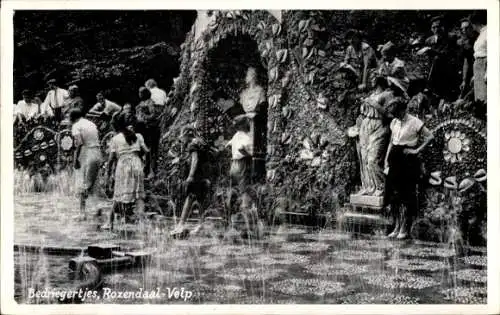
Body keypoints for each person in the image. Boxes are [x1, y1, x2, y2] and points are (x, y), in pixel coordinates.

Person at [383, 98, 434, 239]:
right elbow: (391, 143)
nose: (396, 116)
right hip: (394, 158)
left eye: (397, 113)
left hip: (407, 160)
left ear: (403, 110)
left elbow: (430, 136)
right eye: (394, 114)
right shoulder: (394, 122)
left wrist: (416, 150)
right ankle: (396, 226)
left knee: (404, 195)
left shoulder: (414, 121)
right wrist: (386, 161)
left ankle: (404, 228)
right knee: (393, 196)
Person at [355, 76, 399, 197]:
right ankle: (368, 186)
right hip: (366, 126)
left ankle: (381, 186)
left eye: (374, 77)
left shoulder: (388, 94)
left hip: (380, 126)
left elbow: (391, 115)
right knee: (363, 159)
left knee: (373, 159)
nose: (371, 79)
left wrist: (374, 105)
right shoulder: (370, 95)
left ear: (379, 80)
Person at [104, 112, 149, 230]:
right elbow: (147, 151)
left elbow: (111, 159)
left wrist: (108, 174)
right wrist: (146, 165)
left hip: (123, 165)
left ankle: (109, 221)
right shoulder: (138, 136)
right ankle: (142, 223)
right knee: (139, 195)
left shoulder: (115, 138)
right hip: (137, 164)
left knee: (118, 194)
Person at [170, 125, 211, 238]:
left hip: (196, 176)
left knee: (190, 197)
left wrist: (191, 176)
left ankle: (181, 225)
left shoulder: (192, 144)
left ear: (187, 135)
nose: (181, 140)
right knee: (200, 200)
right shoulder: (200, 142)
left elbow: (195, 160)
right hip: (204, 175)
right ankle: (201, 224)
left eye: (182, 137)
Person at [70, 108, 103, 220]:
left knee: (82, 182)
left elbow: (79, 143)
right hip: (97, 152)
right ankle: (97, 207)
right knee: (94, 181)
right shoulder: (91, 124)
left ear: (73, 118)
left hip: (86, 153)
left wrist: (75, 160)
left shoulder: (76, 125)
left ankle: (82, 213)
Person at [423, 16, 459, 101]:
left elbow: (449, 54)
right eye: (434, 27)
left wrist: (433, 52)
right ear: (431, 29)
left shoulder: (450, 38)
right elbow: (428, 58)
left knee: (446, 97)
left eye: (438, 26)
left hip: (447, 69)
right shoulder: (429, 40)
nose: (436, 29)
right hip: (433, 70)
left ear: (443, 27)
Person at [226, 115, 253, 203]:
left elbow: (228, 146)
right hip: (242, 163)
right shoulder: (246, 137)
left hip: (234, 164)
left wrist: (233, 154)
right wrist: (249, 155)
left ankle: (230, 209)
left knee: (233, 189)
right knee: (243, 189)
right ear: (243, 125)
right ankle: (244, 208)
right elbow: (241, 148)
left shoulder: (235, 135)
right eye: (247, 123)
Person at [135, 87, 159, 178]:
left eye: (141, 93)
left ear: (145, 93)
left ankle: (151, 171)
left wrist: (144, 116)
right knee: (143, 149)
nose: (139, 94)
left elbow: (153, 115)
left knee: (151, 150)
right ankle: (145, 169)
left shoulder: (150, 102)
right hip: (142, 129)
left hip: (150, 129)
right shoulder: (141, 103)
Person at [457, 18, 478, 99]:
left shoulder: (479, 39)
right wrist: (464, 80)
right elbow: (466, 61)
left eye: (466, 28)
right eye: (462, 29)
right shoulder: (464, 42)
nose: (464, 30)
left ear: (472, 27)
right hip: (470, 71)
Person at [470, 11, 487, 103]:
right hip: (478, 66)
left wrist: (488, 72)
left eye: (472, 25)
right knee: (479, 96)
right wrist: (475, 75)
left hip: (484, 64)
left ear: (476, 23)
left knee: (484, 96)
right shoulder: (481, 34)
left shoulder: (488, 33)